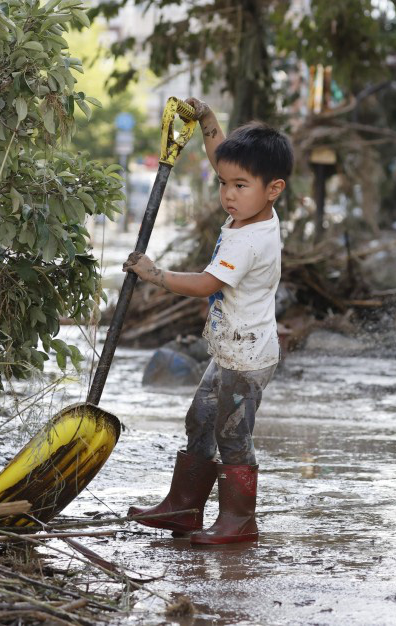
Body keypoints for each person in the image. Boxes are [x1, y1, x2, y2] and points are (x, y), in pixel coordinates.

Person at [121, 98, 292, 545]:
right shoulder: (252, 211)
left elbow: (203, 284)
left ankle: (238, 522)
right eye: (223, 184)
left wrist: (155, 274)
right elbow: (224, 157)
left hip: (247, 356)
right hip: (230, 349)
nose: (228, 195)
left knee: (232, 435)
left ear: (273, 189)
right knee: (201, 420)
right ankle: (183, 509)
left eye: (240, 186)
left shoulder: (249, 239)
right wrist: (209, 122)